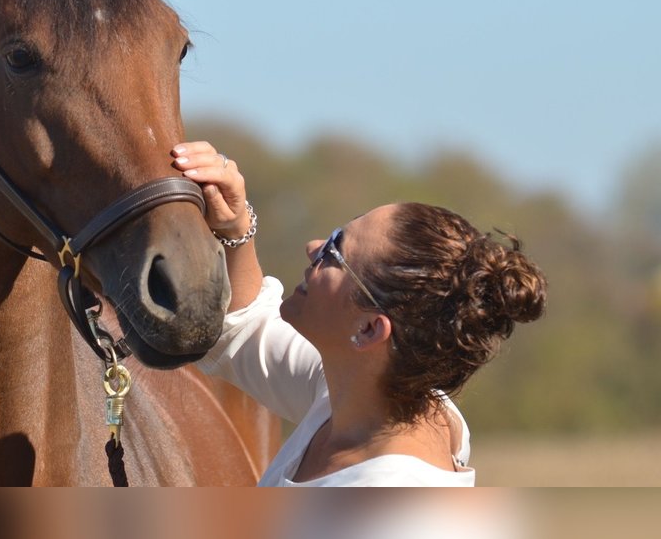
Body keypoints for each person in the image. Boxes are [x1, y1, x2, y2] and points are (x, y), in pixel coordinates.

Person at [170, 140, 547, 486]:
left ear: (369, 329)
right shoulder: (368, 398)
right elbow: (248, 330)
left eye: (335, 252)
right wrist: (236, 227)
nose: (313, 247)